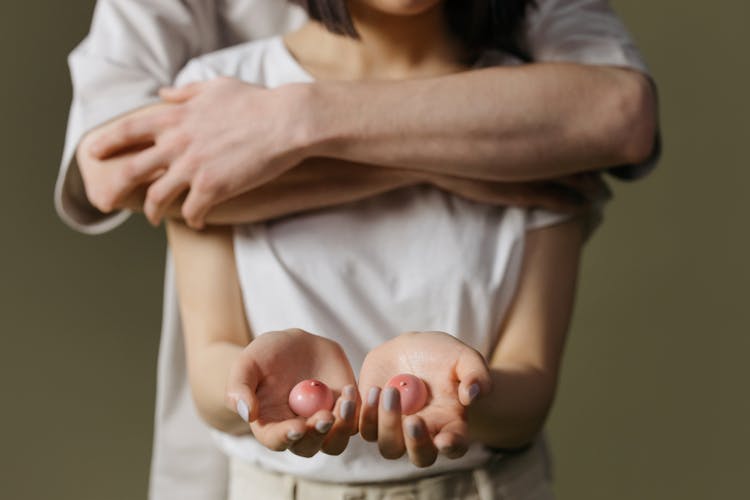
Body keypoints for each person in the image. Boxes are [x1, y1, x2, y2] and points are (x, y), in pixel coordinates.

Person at [54, 1, 658, 499]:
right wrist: (252, 380)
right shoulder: (217, 97)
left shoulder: (538, 110)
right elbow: (211, 362)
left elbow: (529, 388)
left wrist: (466, 390)